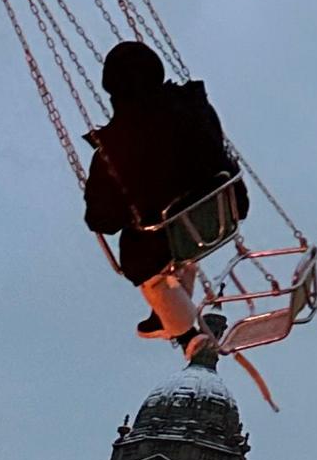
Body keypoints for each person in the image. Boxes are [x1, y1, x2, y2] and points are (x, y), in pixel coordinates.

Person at [82, 42, 242, 367]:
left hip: (168, 235)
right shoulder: (195, 105)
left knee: (143, 256)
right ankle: (167, 308)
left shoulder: (115, 148)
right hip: (224, 208)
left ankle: (188, 336)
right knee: (178, 235)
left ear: (112, 90)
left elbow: (103, 220)